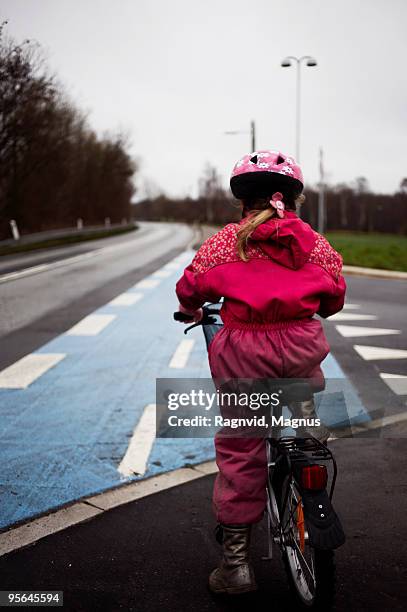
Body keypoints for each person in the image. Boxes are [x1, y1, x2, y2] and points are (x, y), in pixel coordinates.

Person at [175, 150, 346, 595]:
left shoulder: (226, 243)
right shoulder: (315, 244)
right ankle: (306, 438)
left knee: (241, 452)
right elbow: (334, 296)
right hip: (301, 352)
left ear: (241, 202)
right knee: (300, 402)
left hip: (244, 359)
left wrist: (191, 308)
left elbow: (190, 286)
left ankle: (236, 568)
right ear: (295, 197)